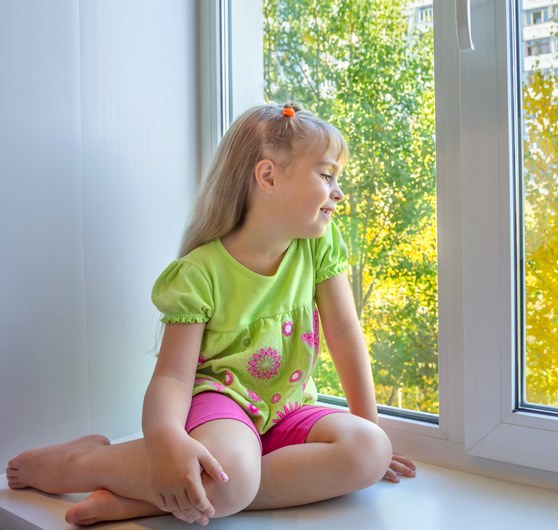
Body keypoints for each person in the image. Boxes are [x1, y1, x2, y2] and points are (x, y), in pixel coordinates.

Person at [5, 103, 416, 526]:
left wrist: (370, 428)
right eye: (327, 175)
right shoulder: (199, 273)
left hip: (287, 409)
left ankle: (152, 498)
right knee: (231, 476)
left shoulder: (318, 245)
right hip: (221, 405)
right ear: (268, 176)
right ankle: (81, 462)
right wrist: (165, 442)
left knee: (369, 449)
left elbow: (345, 334)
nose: (338, 192)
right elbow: (171, 377)